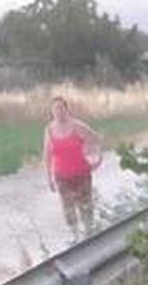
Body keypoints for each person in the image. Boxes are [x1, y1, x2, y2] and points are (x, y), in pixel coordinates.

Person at [43, 97, 103, 235]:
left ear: (67, 109)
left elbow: (96, 139)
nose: (59, 112)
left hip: (81, 174)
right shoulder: (49, 130)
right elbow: (47, 154)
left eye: (61, 108)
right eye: (55, 109)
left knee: (86, 209)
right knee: (69, 211)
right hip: (61, 176)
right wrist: (49, 178)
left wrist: (98, 159)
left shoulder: (77, 126)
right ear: (52, 112)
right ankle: (75, 238)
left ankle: (90, 235)